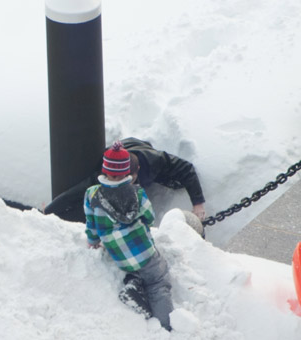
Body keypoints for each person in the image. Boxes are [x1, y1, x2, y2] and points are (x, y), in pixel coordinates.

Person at [84, 141, 174, 330]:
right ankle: (167, 325)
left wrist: (93, 241)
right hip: (145, 254)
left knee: (138, 270)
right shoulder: (137, 193)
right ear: (128, 173)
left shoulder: (91, 195)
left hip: (119, 257)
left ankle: (134, 282)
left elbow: (91, 224)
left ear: (104, 169)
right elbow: (150, 217)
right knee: (158, 281)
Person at [45, 137, 206, 222]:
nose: (117, 183)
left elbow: (186, 169)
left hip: (140, 148)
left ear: (137, 173)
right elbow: (73, 194)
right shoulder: (102, 175)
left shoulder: (154, 161)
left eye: (124, 180)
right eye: (112, 179)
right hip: (121, 153)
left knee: (176, 181)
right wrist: (48, 211)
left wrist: (197, 203)